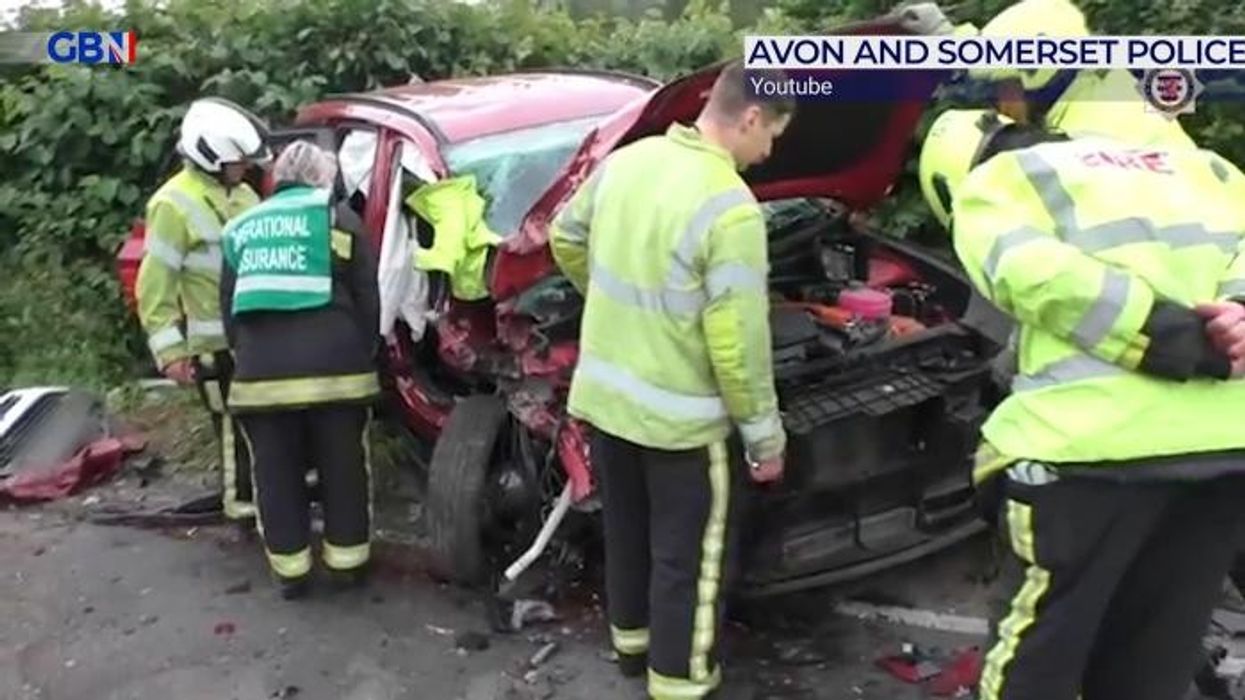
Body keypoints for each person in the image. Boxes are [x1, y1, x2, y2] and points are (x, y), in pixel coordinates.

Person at [918, 107, 1245, 700]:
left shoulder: (1001, 182)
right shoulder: (1206, 170)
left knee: (1034, 663)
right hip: (1224, 456)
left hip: (1082, 459)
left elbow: (1035, 275)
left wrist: (1170, 337)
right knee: (1154, 663)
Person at [548, 59, 792, 700]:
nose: (769, 154)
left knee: (626, 534)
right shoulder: (731, 208)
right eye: (772, 137)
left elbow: (564, 235)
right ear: (750, 118)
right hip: (683, 425)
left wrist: (615, 302)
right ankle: (681, 682)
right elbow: (737, 349)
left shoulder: (628, 163)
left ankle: (631, 649)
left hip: (608, 404)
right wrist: (764, 440)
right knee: (688, 560)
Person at [219, 140, 381, 599]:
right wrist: (363, 351)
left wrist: (247, 356)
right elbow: (368, 297)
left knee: (275, 475)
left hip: (261, 382)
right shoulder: (338, 220)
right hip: (338, 376)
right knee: (343, 470)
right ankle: (347, 565)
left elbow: (229, 310)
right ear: (322, 179)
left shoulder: (240, 228)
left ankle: (291, 573)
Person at [134, 98, 270, 524]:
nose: (244, 167)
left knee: (262, 421)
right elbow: (155, 283)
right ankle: (241, 507)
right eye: (237, 161)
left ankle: (266, 498)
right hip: (213, 343)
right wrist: (170, 351)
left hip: (254, 335)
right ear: (210, 156)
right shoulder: (172, 203)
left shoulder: (245, 196)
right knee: (231, 425)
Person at [964, 0, 1196, 148]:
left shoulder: (1087, 139)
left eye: (1003, 89)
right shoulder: (1107, 89)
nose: (1001, 107)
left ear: (1037, 73)